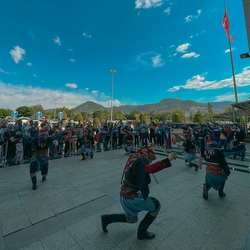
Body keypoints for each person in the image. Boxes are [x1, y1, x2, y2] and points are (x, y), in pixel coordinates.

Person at [101, 148, 177, 240]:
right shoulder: (141, 163)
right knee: (156, 206)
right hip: (131, 198)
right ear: (147, 156)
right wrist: (168, 159)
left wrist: (148, 147)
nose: (151, 161)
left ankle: (107, 219)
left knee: (132, 219)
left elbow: (141, 150)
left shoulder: (135, 156)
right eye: (151, 159)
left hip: (123, 195)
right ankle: (142, 232)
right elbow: (151, 169)